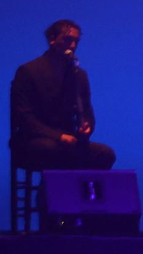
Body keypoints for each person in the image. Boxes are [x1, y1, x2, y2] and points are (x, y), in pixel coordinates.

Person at [10, 19, 116, 170]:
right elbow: (23, 116)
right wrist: (58, 136)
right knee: (52, 150)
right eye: (67, 40)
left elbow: (87, 109)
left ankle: (78, 186)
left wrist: (87, 126)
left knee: (105, 154)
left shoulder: (78, 74)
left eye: (76, 41)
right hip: (32, 139)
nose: (72, 46)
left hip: (68, 139)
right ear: (52, 39)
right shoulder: (29, 71)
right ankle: (53, 186)